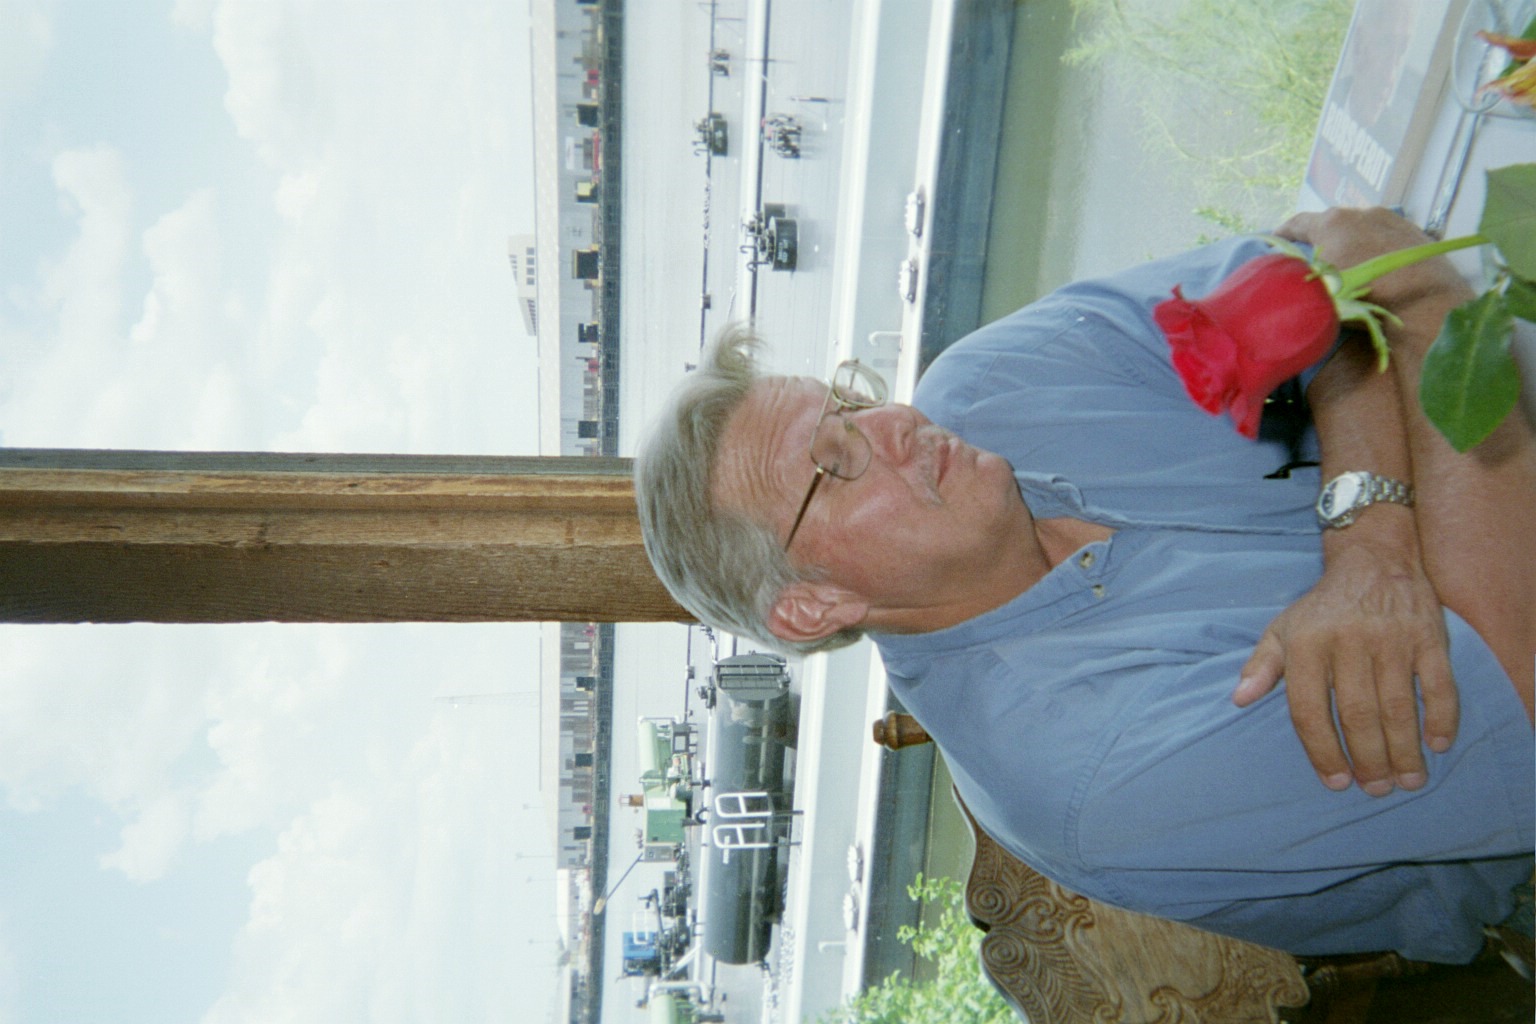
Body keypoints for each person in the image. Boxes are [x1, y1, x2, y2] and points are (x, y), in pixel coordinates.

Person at [635, 208, 1534, 963]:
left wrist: (1370, 536)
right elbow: (1521, 673)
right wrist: (1419, 316)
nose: (897, 420)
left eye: (850, 405)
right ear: (815, 604)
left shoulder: (988, 386)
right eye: (837, 463)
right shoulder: (1090, 771)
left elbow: (1328, 261)